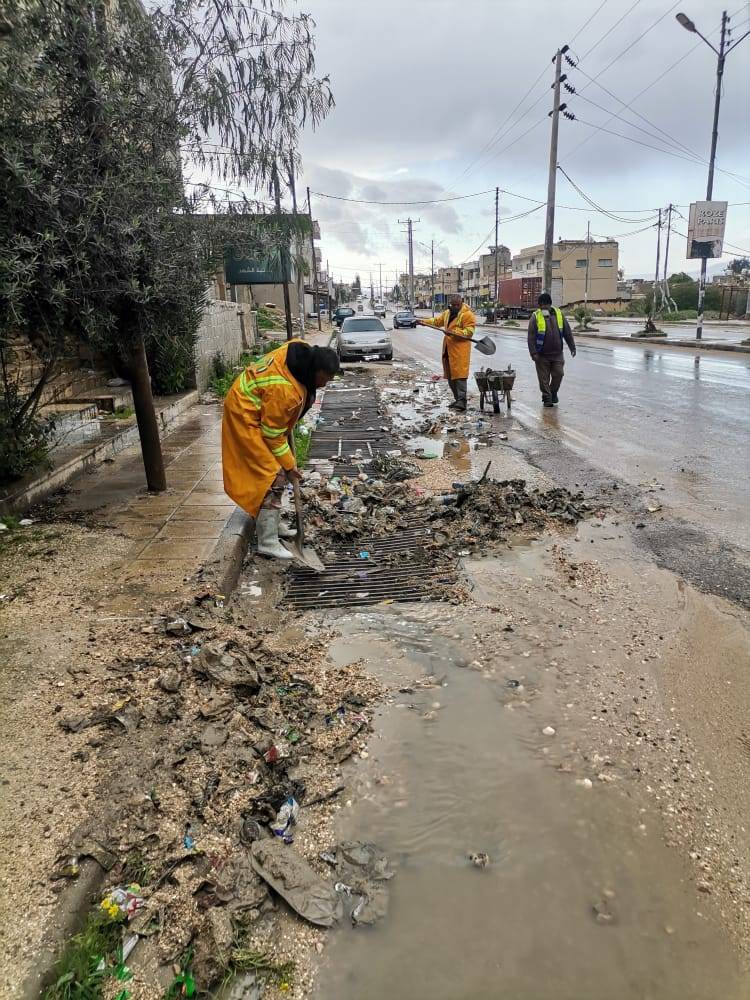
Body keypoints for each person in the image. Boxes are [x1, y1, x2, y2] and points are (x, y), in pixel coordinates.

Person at [222, 340, 339, 559]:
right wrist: (289, 465)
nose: (327, 383)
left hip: (259, 407)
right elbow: (272, 434)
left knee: (278, 471)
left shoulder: (298, 351)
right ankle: (267, 542)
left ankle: (274, 526)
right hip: (245, 415)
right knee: (271, 476)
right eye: (327, 378)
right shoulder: (285, 391)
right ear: (316, 371)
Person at [416, 294, 476, 412]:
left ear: (461, 303)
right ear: (450, 304)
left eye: (457, 305)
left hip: (460, 351)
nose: (455, 307)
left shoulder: (467, 315)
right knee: (450, 376)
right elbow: (437, 321)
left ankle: (462, 401)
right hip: (448, 350)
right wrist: (424, 321)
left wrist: (453, 332)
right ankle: (457, 400)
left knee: (460, 377)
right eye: (453, 305)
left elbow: (469, 332)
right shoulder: (447, 313)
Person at [527, 292, 576, 407]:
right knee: (543, 379)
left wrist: (572, 347)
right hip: (541, 355)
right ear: (539, 306)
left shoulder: (558, 314)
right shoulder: (535, 317)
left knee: (559, 374)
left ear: (550, 305)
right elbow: (531, 337)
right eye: (542, 306)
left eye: (546, 305)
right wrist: (533, 353)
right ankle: (547, 398)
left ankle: (553, 393)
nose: (544, 308)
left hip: (557, 354)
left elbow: (567, 332)